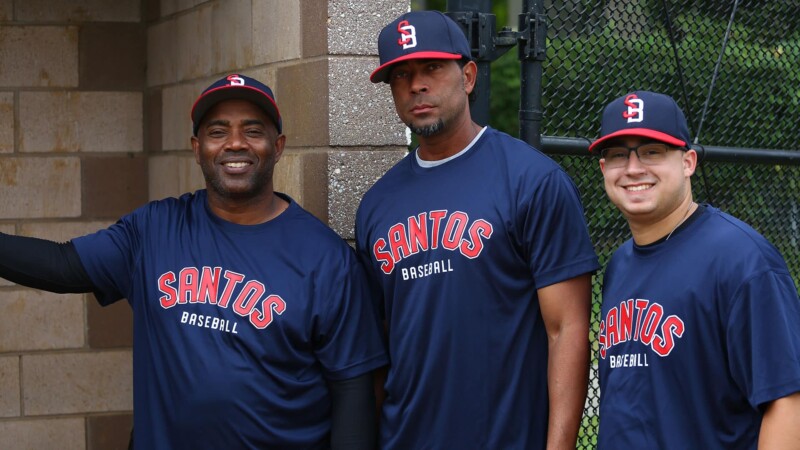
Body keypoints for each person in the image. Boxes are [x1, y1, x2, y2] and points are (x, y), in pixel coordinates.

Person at [0, 74, 388, 450]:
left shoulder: (326, 259)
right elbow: (62, 264)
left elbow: (353, 388)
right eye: (218, 132)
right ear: (197, 147)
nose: (235, 143)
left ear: (278, 145)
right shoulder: (154, 229)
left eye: (253, 131)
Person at [356, 10, 600, 449]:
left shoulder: (531, 180)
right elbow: (379, 345)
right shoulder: (377, 205)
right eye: (401, 75)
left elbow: (567, 330)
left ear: (468, 76)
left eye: (432, 68)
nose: (417, 85)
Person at [591, 90, 800, 448]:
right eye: (617, 155)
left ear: (688, 162)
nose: (633, 168)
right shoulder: (619, 264)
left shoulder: (742, 260)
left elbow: (787, 401)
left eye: (652, 152)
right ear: (603, 169)